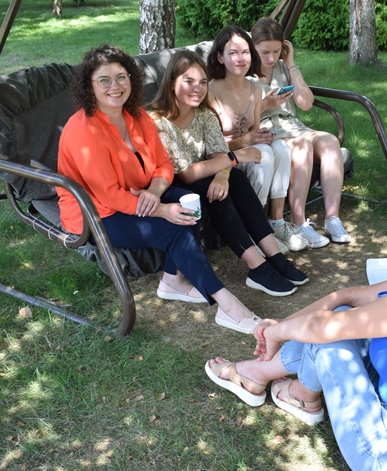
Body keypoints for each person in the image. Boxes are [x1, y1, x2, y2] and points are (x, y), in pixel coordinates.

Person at [205, 184, 387, 471]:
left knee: (329, 343)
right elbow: (348, 296)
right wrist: (281, 324)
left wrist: (276, 332)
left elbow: (322, 329)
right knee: (342, 317)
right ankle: (281, 386)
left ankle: (277, 384)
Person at [56, 44, 260, 334]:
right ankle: (227, 304)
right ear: (89, 86)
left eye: (121, 77)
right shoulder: (84, 130)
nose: (115, 86)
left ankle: (172, 281)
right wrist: (162, 210)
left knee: (190, 202)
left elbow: (164, 164)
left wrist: (154, 192)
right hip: (96, 213)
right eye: (104, 80)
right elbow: (108, 195)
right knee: (175, 228)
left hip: (140, 195)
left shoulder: (137, 117)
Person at [147, 51, 309, 298]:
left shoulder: (204, 114)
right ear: (171, 83)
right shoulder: (158, 122)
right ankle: (258, 267)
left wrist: (223, 174)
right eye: (188, 81)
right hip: (168, 185)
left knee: (236, 180)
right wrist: (233, 159)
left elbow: (220, 152)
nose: (197, 88)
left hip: (204, 174)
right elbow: (186, 174)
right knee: (211, 191)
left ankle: (275, 257)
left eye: (203, 82)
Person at [250, 17, 352, 249]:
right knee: (303, 146)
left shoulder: (282, 66)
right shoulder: (244, 72)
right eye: (265, 52)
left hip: (294, 126)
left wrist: (291, 64)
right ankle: (298, 222)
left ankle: (332, 219)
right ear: (253, 47)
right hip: (267, 130)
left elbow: (305, 104)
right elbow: (238, 115)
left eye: (276, 51)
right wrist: (265, 104)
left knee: (329, 141)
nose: (271, 58)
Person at [206, 25, 307, 253]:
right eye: (233, 53)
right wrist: (246, 141)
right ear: (220, 57)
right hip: (223, 157)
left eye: (245, 52)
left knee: (280, 148)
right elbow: (211, 147)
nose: (240, 58)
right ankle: (256, 231)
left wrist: (261, 137)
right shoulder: (210, 92)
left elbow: (253, 131)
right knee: (266, 155)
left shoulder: (254, 89)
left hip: (247, 150)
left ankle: (276, 222)